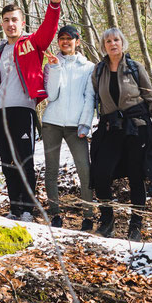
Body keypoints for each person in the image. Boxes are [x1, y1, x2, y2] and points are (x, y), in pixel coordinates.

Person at [0, 0, 62, 222]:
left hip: (23, 110)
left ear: (22, 23)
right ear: (2, 23)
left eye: (14, 20)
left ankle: (28, 208)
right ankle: (15, 207)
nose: (10, 24)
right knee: (8, 163)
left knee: (24, 161)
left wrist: (54, 5)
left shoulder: (31, 43)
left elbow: (48, 30)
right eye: (6, 20)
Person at [90, 28, 152, 240]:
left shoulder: (134, 67)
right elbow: (94, 100)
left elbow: (151, 98)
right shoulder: (98, 71)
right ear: (103, 46)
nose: (112, 43)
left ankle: (135, 225)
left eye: (116, 40)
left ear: (122, 43)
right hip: (110, 129)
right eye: (108, 41)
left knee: (136, 176)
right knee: (101, 174)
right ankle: (107, 221)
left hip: (137, 128)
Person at [42, 25, 95, 230]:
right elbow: (52, 95)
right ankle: (55, 214)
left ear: (77, 41)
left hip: (76, 127)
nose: (65, 42)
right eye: (62, 38)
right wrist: (54, 68)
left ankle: (88, 215)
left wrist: (85, 124)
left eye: (69, 38)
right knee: (51, 169)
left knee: (85, 169)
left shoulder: (88, 67)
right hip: (52, 123)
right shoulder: (52, 64)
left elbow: (90, 97)